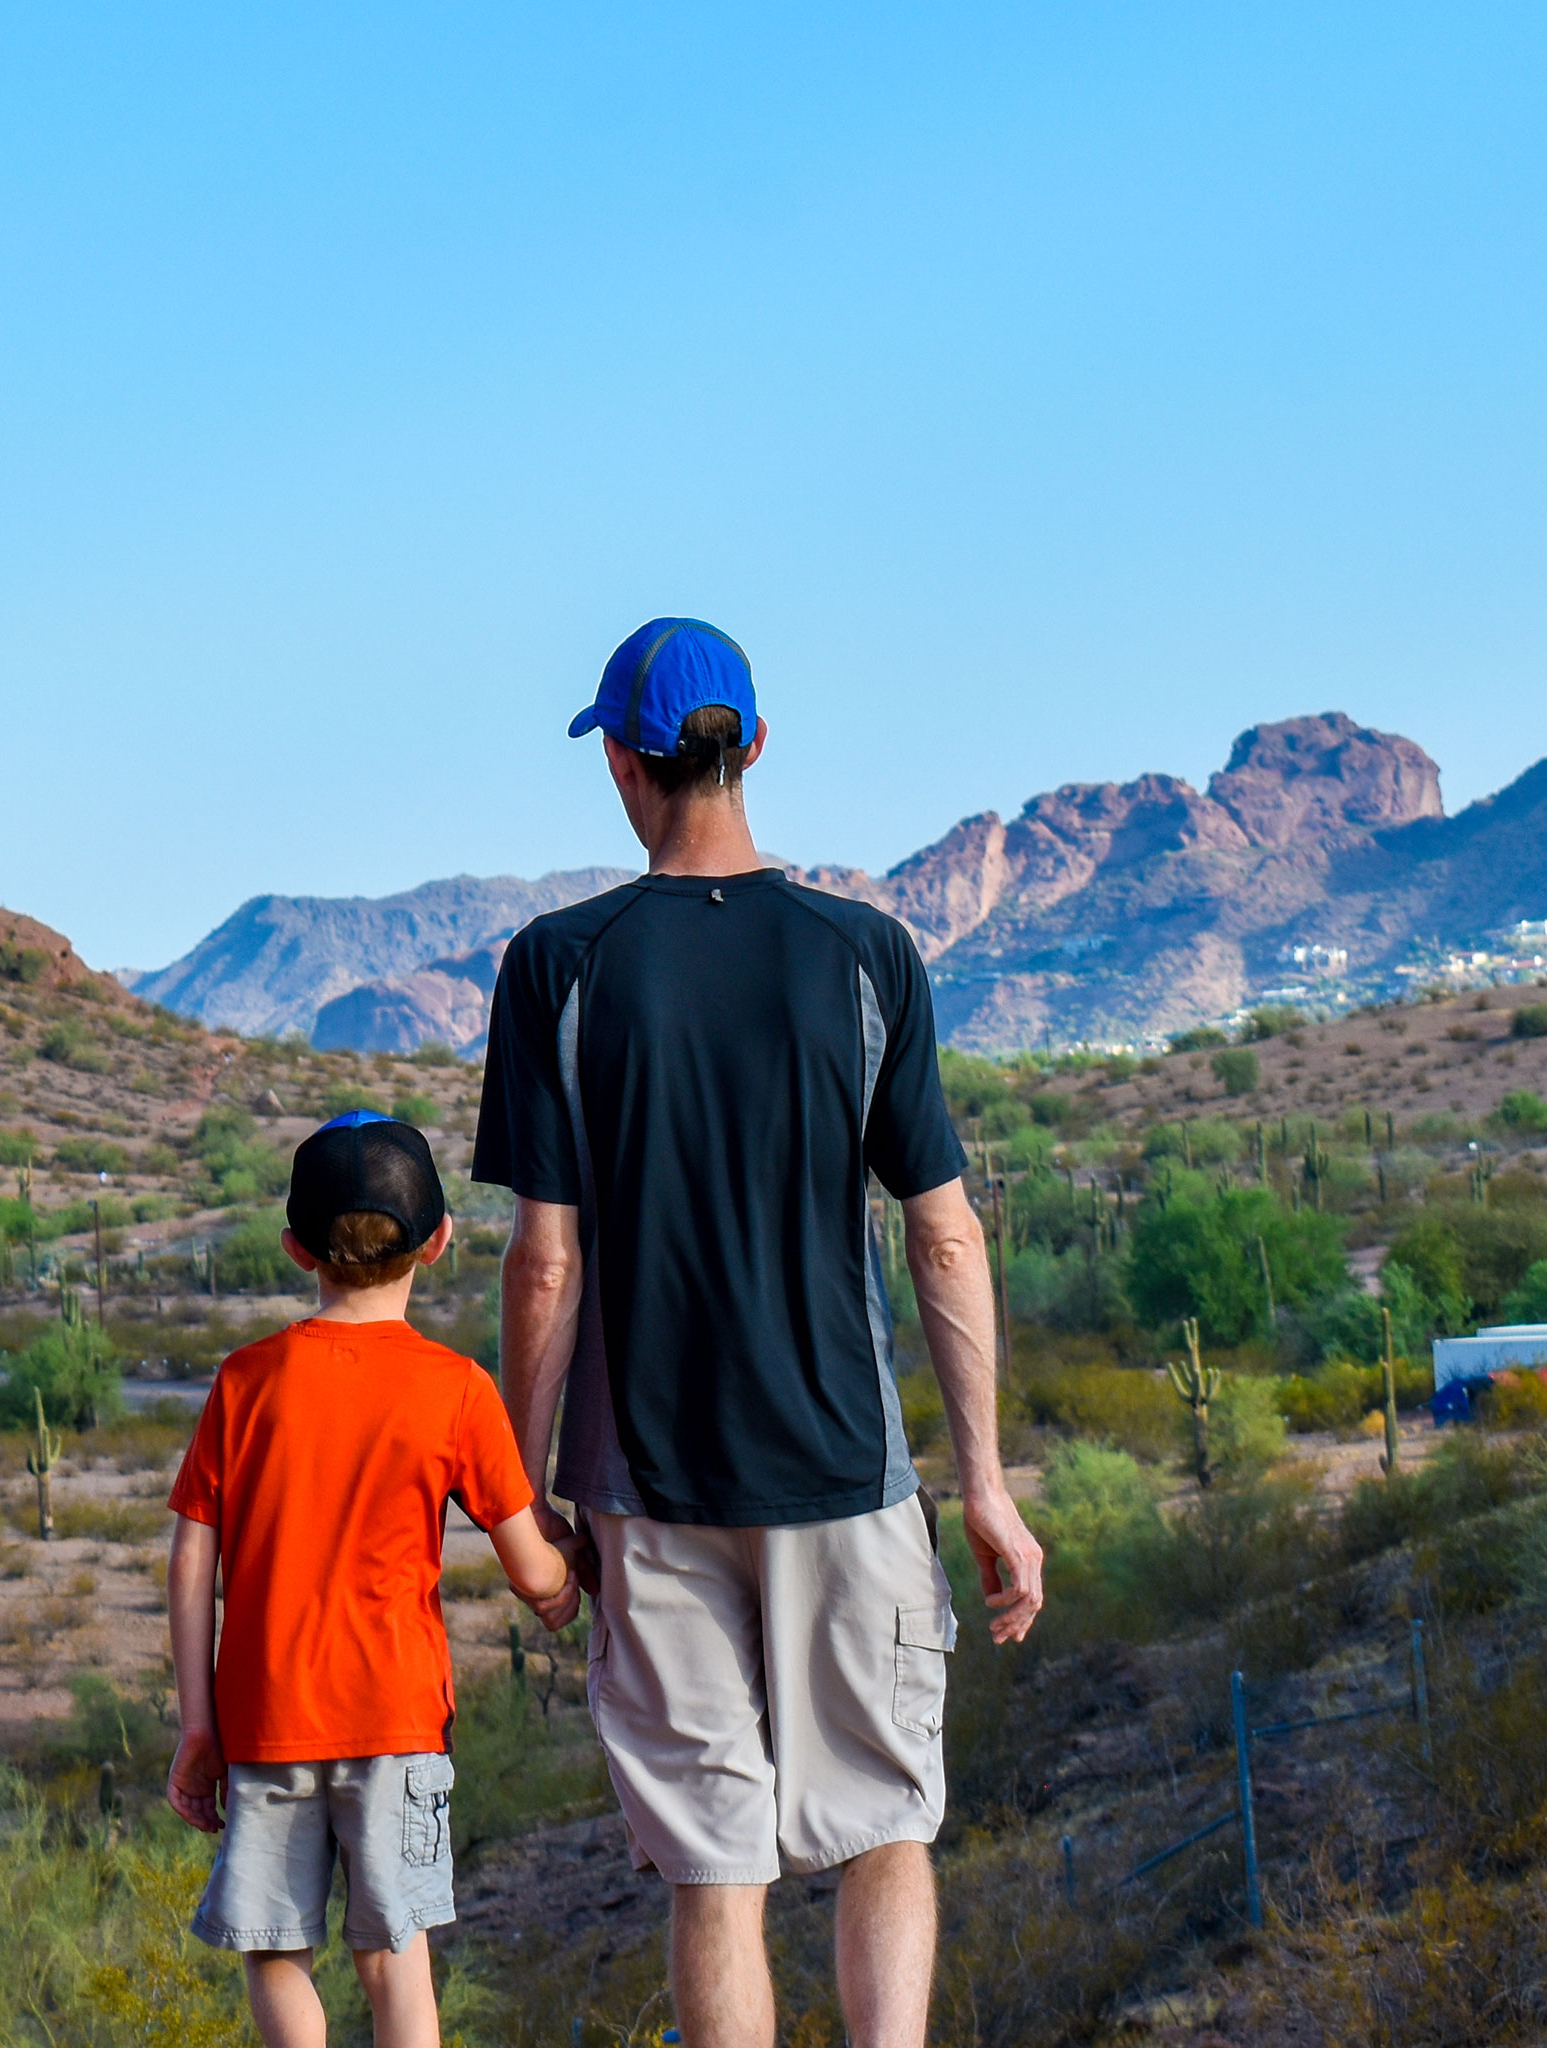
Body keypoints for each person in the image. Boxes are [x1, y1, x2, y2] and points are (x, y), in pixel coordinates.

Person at [474, 618, 1046, 2048]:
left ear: (622, 762)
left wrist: (523, 1498)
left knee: (713, 1871)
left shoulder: (561, 965)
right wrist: (983, 1483)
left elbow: (545, 1267)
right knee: (883, 1829)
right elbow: (944, 1230)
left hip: (650, 1492)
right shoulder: (867, 954)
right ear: (758, 748)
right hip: (846, 1472)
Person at [164, 1113, 582, 2048]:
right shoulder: (458, 1389)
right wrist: (563, 1584)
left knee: (275, 1952)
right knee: (395, 1958)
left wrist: (200, 1724)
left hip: (267, 1720)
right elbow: (527, 1560)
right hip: (394, 1719)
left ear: (294, 1249)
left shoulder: (245, 1382)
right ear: (436, 1241)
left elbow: (194, 1558)